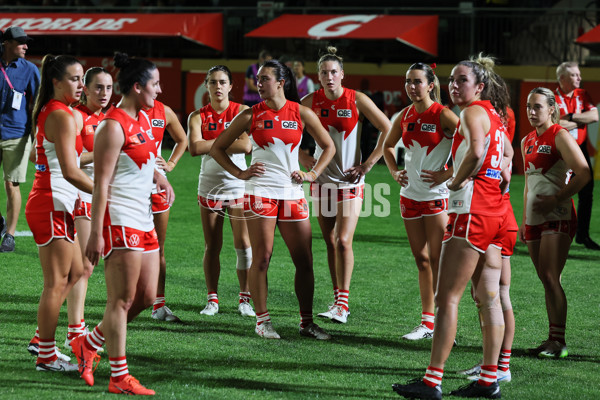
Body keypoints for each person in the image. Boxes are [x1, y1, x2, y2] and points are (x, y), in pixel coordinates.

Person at [393, 54, 512, 399]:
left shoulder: (472, 112)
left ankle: (432, 382)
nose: (455, 85)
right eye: (452, 79)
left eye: (462, 80)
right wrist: (498, 181)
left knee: (447, 299)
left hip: (472, 212)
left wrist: (457, 181)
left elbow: (475, 151)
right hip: (497, 213)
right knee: (488, 296)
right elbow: (505, 160)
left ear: (480, 85)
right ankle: (490, 378)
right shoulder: (495, 116)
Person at [70, 52, 173, 395]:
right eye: (155, 84)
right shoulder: (112, 126)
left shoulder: (142, 118)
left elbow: (143, 156)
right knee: (122, 300)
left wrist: (161, 178)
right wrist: (96, 233)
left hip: (144, 219)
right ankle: (118, 376)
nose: (159, 90)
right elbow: (101, 184)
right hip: (120, 219)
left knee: (145, 297)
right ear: (138, 86)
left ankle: (89, 343)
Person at [210, 59, 335, 340]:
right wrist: (241, 173)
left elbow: (329, 145)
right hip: (260, 193)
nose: (258, 83)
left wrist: (312, 173)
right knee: (262, 258)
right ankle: (262, 321)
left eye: (265, 78)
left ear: (281, 82)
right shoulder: (250, 114)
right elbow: (218, 148)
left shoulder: (301, 112)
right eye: (258, 78)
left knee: (304, 261)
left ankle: (307, 323)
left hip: (292, 194)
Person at [300, 46, 391, 324]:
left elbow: (388, 128)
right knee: (329, 242)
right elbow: (289, 133)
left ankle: (343, 303)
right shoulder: (307, 101)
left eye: (334, 72)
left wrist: (368, 165)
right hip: (321, 181)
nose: (329, 77)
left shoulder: (357, 99)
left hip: (350, 180)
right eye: (324, 73)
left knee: (343, 240)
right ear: (318, 76)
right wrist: (306, 160)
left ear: (342, 74)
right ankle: (337, 299)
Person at [25, 54, 92, 371]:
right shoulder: (61, 115)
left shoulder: (62, 112)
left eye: (82, 79)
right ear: (55, 81)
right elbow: (69, 171)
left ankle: (44, 339)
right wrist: (109, 192)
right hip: (51, 202)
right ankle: (46, 355)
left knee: (77, 271)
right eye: (75, 79)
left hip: (59, 203)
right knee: (56, 283)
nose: (81, 85)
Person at [382, 63, 458, 340]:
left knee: (438, 259)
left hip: (436, 197)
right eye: (408, 82)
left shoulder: (444, 115)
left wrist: (447, 174)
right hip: (409, 196)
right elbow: (387, 146)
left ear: (430, 84)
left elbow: (474, 146)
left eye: (417, 81)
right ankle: (427, 323)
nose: (411, 87)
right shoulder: (404, 115)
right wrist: (393, 170)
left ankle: (442, 320)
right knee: (422, 260)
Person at [521, 87, 590, 358]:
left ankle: (558, 341)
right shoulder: (527, 140)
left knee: (550, 276)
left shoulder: (559, 135)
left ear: (551, 109)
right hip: (534, 219)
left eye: (538, 106)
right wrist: (525, 220)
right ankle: (552, 338)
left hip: (558, 215)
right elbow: (528, 183)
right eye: (529, 106)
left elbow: (583, 173)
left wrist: (556, 199)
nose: (531, 111)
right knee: (545, 278)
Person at [188, 65, 255, 317]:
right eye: (213, 82)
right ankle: (212, 299)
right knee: (212, 246)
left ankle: (244, 299)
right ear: (206, 85)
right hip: (209, 186)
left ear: (230, 86)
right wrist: (228, 143)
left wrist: (211, 144)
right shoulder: (197, 116)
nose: (218, 87)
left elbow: (246, 145)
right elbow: (194, 148)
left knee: (243, 244)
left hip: (238, 185)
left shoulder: (242, 112)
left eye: (222, 82)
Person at [62, 67, 113, 351]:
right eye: (98, 88)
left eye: (108, 88)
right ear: (87, 88)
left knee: (86, 268)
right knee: (84, 267)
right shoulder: (76, 116)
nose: (104, 93)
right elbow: (75, 158)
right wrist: (108, 149)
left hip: (104, 196)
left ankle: (72, 331)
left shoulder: (111, 118)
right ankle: (74, 332)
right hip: (82, 194)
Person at [147, 98, 188, 322]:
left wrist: (170, 165)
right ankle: (125, 301)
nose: (158, 89)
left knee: (158, 248)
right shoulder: (124, 112)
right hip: (131, 188)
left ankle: (159, 304)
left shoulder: (164, 111)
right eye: (153, 83)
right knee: (128, 249)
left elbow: (182, 140)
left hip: (158, 187)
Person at [0, 26, 40, 252]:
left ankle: (10, 235)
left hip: (17, 134)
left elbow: (38, 104)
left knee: (11, 184)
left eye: (26, 42)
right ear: (6, 44)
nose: (26, 46)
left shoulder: (31, 70)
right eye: (21, 42)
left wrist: (37, 138)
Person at [554, 62, 599, 250]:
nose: (579, 78)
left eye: (579, 74)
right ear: (562, 78)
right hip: (562, 150)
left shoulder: (582, 94)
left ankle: (582, 235)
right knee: (559, 192)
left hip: (580, 149)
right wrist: (580, 120)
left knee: (586, 192)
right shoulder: (552, 98)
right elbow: (555, 125)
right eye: (574, 75)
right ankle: (554, 233)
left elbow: (595, 116)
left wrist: (571, 117)